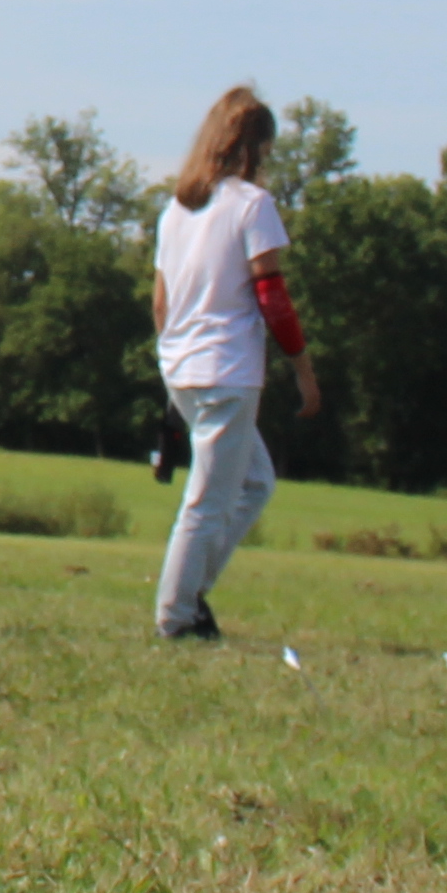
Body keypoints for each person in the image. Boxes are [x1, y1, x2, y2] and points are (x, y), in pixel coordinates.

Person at [146, 86, 325, 643]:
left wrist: (174, 378)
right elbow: (271, 294)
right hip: (227, 371)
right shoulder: (251, 206)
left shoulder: (177, 209)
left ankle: (191, 592)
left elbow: (160, 301)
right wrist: (304, 370)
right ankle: (178, 616)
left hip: (182, 367)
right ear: (252, 149)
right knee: (206, 502)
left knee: (255, 482)